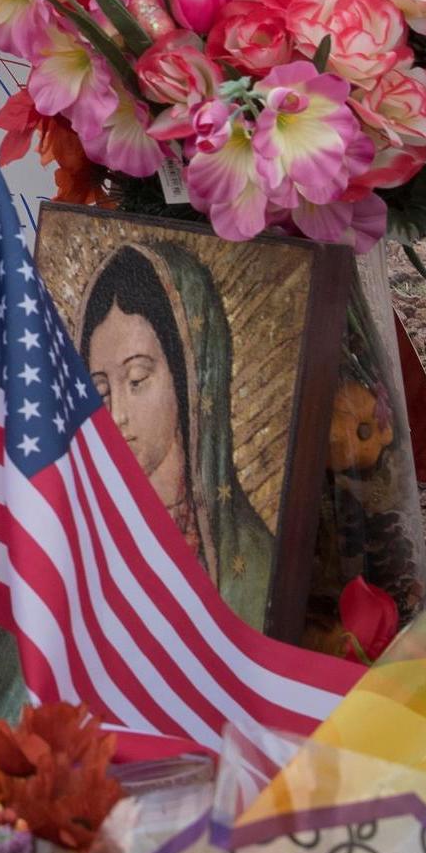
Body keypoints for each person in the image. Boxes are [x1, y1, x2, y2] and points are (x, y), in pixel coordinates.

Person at [79, 241, 278, 627]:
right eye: (101, 391)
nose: (115, 415)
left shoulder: (253, 570)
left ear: (188, 377)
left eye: (137, 380)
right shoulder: (73, 545)